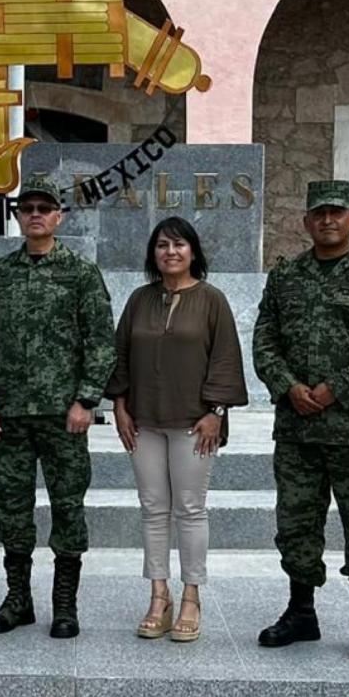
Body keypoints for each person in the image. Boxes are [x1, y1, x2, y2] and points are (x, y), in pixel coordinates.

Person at [252, 179, 349, 662]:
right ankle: (302, 613)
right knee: (296, 524)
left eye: (336, 213)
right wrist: (288, 386)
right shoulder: (286, 277)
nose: (327, 220)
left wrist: (336, 388)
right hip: (297, 429)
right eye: (319, 214)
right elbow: (264, 340)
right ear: (306, 222)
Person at [0, 176, 116, 640]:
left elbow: (101, 341)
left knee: (68, 508)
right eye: (27, 207)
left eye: (44, 208)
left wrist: (86, 398)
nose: (35, 214)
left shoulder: (81, 274)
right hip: (7, 415)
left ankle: (64, 604)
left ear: (59, 217)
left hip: (63, 416)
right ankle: (18, 599)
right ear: (17, 216)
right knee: (12, 508)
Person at [107, 216, 247, 643]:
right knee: (152, 508)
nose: (171, 252)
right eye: (163, 245)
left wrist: (216, 411)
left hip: (194, 423)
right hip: (144, 421)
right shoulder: (139, 300)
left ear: (193, 252)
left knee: (189, 508)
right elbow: (122, 355)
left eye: (179, 245)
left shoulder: (212, 300)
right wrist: (119, 405)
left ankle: (191, 596)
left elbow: (225, 357)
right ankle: (158, 595)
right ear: (153, 253)